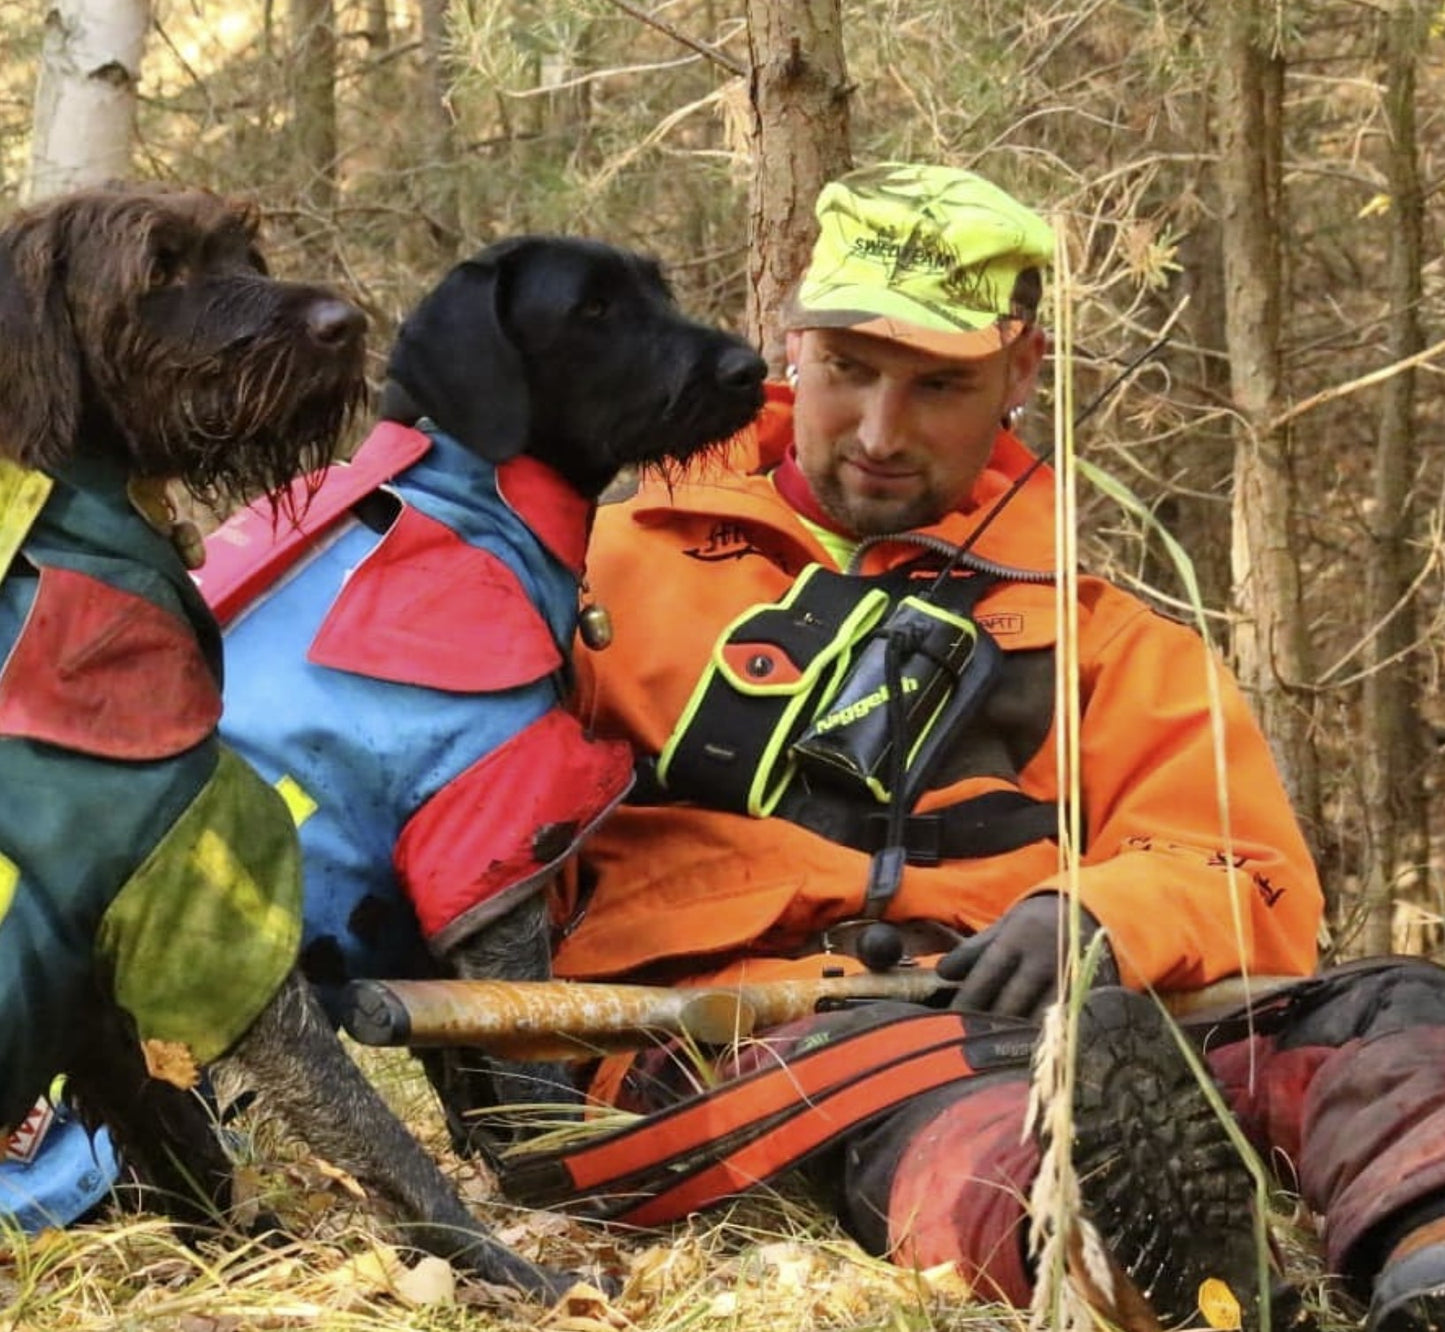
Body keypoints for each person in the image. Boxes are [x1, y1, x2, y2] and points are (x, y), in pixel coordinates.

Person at [540, 163, 1445, 1331]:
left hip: (1059, 1015)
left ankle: (1424, 1259)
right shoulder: (593, 569)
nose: (877, 431)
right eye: (846, 370)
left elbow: (1250, 882)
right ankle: (1108, 1262)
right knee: (953, 1116)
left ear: (1019, 375)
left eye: (936, 387)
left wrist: (1099, 913)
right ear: (790, 344)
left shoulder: (1101, 633)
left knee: (1386, 1015)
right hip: (757, 1032)